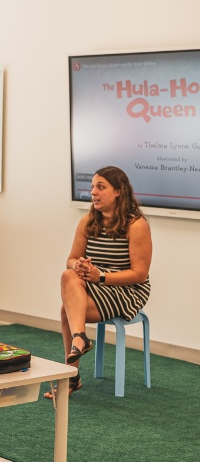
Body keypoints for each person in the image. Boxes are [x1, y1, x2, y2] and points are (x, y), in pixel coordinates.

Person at [45, 166, 152, 398]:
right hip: (96, 284)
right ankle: (79, 339)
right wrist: (79, 266)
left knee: (67, 311)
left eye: (101, 187)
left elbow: (139, 274)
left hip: (127, 290)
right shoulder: (88, 221)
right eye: (92, 187)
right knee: (68, 275)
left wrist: (100, 276)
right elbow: (70, 259)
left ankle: (71, 377)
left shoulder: (137, 225)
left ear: (118, 192)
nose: (94, 192)